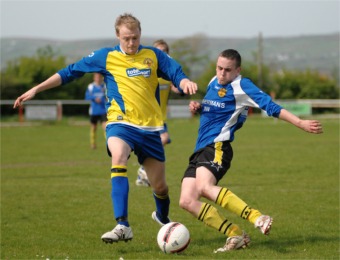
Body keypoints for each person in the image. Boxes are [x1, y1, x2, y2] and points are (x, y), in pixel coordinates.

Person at [13, 13, 198, 244]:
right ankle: (122, 225)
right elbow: (70, 72)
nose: (131, 43)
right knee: (119, 156)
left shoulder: (153, 55)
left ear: (141, 34)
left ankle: (162, 216)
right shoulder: (106, 56)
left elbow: (176, 73)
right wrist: (36, 89)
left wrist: (185, 82)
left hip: (150, 129)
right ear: (117, 36)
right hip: (120, 123)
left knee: (160, 186)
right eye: (127, 38)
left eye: (135, 38)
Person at [179, 49, 323, 252]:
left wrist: (300, 122)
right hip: (200, 149)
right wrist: (199, 107)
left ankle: (257, 217)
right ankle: (235, 235)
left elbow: (270, 106)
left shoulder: (242, 86)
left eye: (227, 70)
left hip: (218, 146)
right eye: (219, 68)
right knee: (186, 200)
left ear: (238, 70)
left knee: (204, 187)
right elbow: (216, 108)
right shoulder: (214, 81)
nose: (222, 73)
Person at [136, 39, 180, 187]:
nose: (161, 54)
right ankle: (143, 169)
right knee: (164, 139)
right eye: (158, 51)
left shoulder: (167, 75)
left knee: (160, 145)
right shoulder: (148, 73)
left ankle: (143, 173)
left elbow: (176, 87)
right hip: (148, 117)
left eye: (164, 52)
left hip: (161, 118)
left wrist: (183, 87)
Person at [85, 72, 107, 149]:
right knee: (93, 128)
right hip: (94, 111)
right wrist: (94, 99)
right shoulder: (91, 86)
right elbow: (87, 96)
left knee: (105, 127)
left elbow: (108, 96)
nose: (98, 79)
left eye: (99, 77)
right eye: (96, 77)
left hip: (103, 110)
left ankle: (108, 144)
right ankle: (93, 144)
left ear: (101, 78)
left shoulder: (104, 86)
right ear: (94, 78)